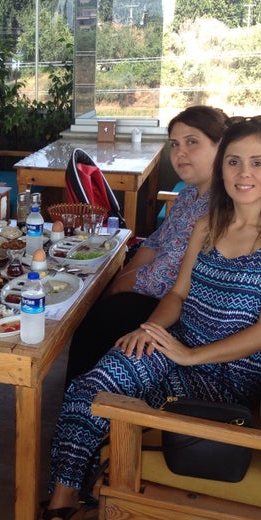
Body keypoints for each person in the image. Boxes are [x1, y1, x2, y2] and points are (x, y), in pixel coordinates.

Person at [42, 117, 261, 520]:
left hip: (227, 373)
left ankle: (85, 494)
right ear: (222, 169)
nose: (244, 173)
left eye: (257, 162)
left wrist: (191, 356)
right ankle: (62, 503)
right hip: (174, 343)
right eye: (234, 162)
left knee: (117, 401)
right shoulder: (207, 225)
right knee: (89, 388)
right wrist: (149, 330)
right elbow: (177, 295)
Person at [64, 105, 228, 386]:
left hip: (178, 308)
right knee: (93, 284)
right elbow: (155, 242)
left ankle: (83, 394)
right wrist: (121, 277)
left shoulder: (215, 206)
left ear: (221, 146)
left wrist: (117, 287)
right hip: (159, 288)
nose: (179, 153)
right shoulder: (188, 193)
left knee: (99, 318)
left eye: (192, 142)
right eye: (174, 144)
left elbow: (166, 274)